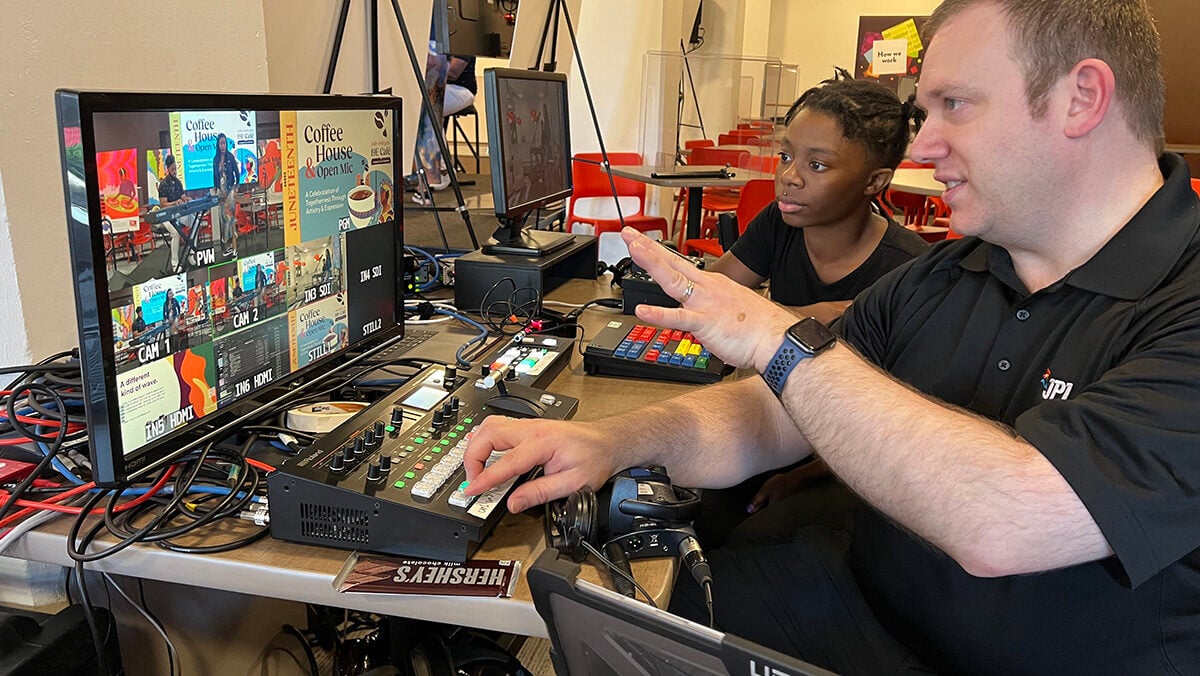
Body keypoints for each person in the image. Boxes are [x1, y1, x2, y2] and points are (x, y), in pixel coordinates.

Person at [463, 1, 1200, 673]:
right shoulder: (945, 274)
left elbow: (1008, 522)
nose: (924, 148)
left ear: (1083, 98)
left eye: (956, 107)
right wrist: (617, 440)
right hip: (861, 604)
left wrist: (777, 337)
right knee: (608, 632)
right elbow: (773, 412)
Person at [700, 80, 930, 543]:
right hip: (772, 428)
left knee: (742, 539)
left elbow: (894, 429)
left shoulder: (908, 273)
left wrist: (803, 478)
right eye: (786, 157)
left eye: (817, 165)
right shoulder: (780, 222)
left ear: (874, 182)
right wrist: (808, 315)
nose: (790, 176)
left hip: (843, 466)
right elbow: (714, 297)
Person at [212, 133, 241, 258]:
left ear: (226, 144)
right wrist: (216, 189)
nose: (222, 145)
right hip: (221, 194)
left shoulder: (230, 157)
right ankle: (229, 247)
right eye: (220, 143)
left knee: (230, 220)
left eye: (224, 143)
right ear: (218, 145)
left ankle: (235, 248)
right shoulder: (216, 159)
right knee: (224, 221)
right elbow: (215, 176)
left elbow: (237, 173)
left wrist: (236, 188)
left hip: (230, 192)